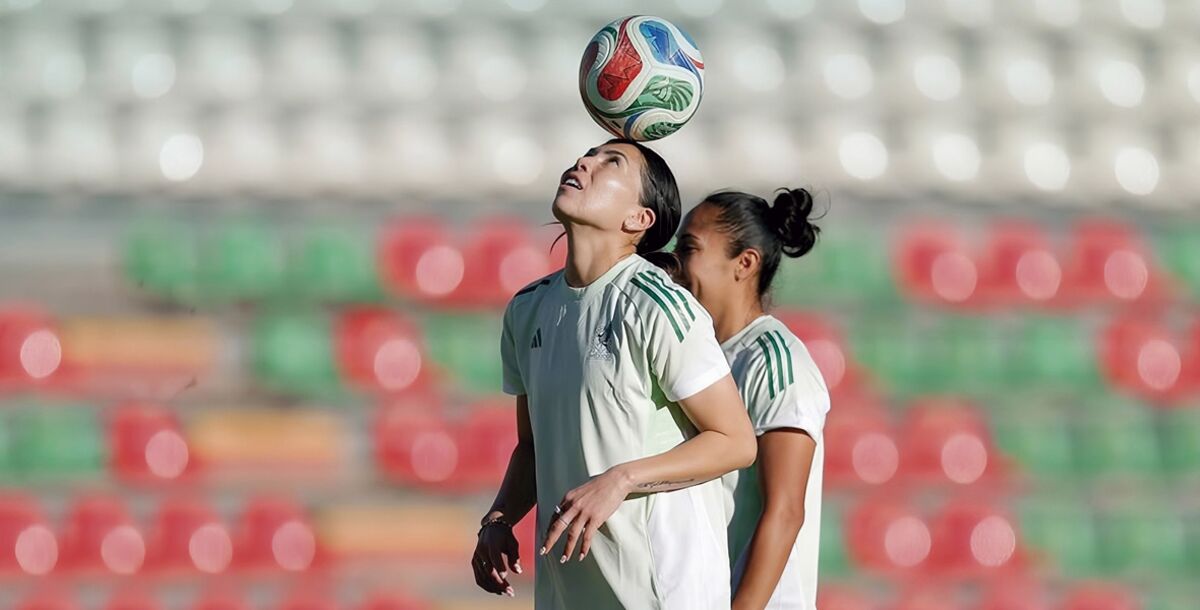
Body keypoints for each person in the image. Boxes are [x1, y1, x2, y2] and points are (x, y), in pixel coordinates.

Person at [470, 138, 758, 609]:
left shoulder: (658, 305)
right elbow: (532, 446)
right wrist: (499, 519)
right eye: (588, 155)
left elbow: (735, 441)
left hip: (662, 593)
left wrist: (622, 479)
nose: (583, 162)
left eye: (611, 163)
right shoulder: (527, 310)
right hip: (570, 593)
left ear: (638, 219)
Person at [673, 188, 829, 610]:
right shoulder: (693, 356)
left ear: (744, 263)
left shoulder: (776, 362)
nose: (675, 264)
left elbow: (785, 511)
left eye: (689, 248)